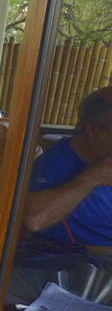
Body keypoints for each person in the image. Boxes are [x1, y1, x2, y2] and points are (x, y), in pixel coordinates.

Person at [24, 86, 112, 246]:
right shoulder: (53, 164)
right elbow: (33, 219)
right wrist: (94, 177)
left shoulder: (104, 157)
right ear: (92, 129)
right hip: (83, 263)